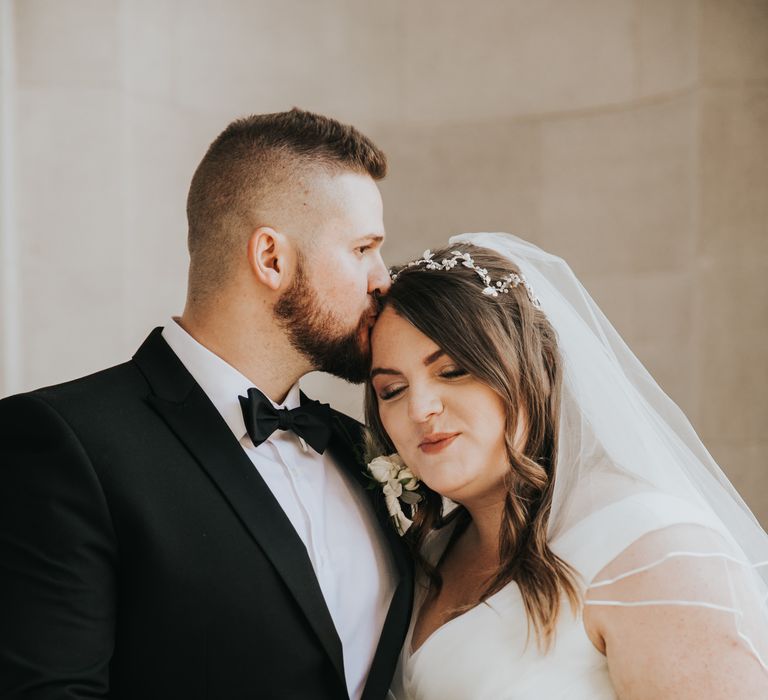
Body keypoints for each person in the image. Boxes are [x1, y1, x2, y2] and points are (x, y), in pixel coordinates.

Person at [0, 109, 413, 700]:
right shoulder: (65, 442)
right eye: (363, 249)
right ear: (271, 258)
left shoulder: (364, 449)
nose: (383, 279)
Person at [364, 232, 768, 699]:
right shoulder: (425, 557)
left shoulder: (645, 545)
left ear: (536, 368)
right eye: (392, 390)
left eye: (453, 371)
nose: (420, 409)